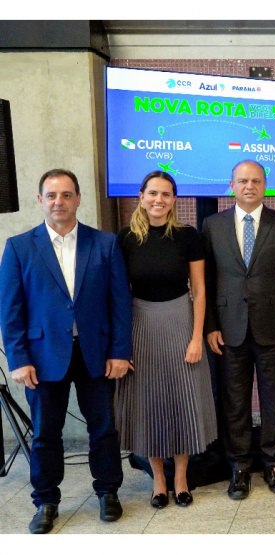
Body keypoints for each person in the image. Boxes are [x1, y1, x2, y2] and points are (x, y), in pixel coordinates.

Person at [0, 169, 132, 533]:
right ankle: (46, 500)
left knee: (104, 429)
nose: (59, 201)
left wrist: (120, 351)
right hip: (42, 359)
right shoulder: (19, 247)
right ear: (40, 200)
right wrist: (18, 358)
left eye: (67, 194)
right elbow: (10, 310)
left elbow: (120, 304)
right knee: (45, 433)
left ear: (78, 198)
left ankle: (108, 492)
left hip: (97, 353)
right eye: (52, 195)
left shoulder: (104, 244)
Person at [202, 160, 275, 500]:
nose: (250, 186)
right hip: (228, 329)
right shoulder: (212, 225)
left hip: (274, 329)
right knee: (235, 402)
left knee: (273, 398)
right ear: (231, 185)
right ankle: (239, 466)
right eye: (243, 181)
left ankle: (274, 463)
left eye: (256, 181)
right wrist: (210, 327)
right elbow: (205, 281)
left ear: (265, 186)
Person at [115, 171, 218, 508]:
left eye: (166, 194)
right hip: (140, 324)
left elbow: (200, 289)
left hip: (180, 321)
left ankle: (181, 477)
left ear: (175, 199)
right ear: (141, 196)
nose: (159, 200)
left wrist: (196, 337)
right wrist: (122, 344)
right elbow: (119, 294)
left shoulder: (188, 236)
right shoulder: (124, 238)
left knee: (183, 400)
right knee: (149, 403)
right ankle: (158, 478)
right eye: (153, 193)